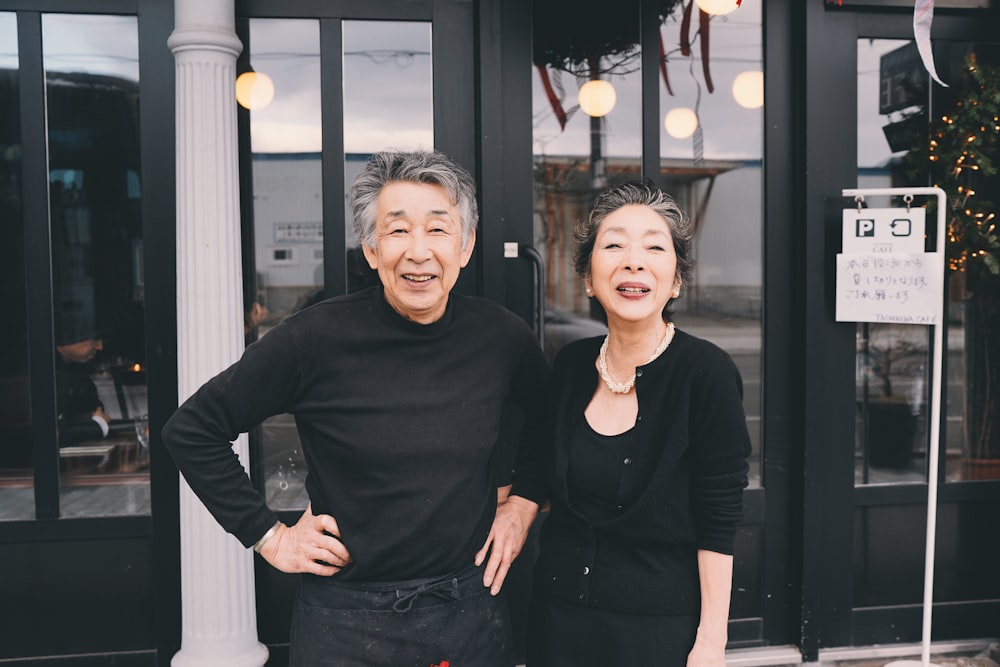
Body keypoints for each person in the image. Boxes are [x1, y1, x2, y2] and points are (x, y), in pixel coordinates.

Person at [162, 149, 549, 666]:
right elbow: (192, 429)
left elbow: (550, 425)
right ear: (370, 249)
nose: (418, 252)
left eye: (438, 230)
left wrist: (522, 506)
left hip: (468, 613)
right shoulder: (315, 339)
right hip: (345, 620)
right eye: (397, 231)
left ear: (466, 244)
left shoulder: (502, 337)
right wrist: (270, 536)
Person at [526, 181, 751, 666]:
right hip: (558, 619)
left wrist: (711, 642)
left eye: (654, 246)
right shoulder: (569, 365)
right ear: (588, 278)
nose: (633, 260)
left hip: (656, 630)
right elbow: (537, 474)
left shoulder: (706, 373)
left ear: (675, 280)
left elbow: (719, 520)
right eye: (614, 245)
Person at [54, 314, 110, 447]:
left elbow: (92, 409)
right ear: (67, 339)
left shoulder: (77, 375)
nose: (100, 346)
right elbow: (46, 435)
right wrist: (98, 426)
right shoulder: (33, 373)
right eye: (94, 339)